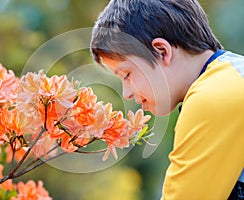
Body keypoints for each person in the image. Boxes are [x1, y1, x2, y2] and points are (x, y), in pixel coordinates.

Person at [90, 0, 244, 199]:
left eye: (126, 74)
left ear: (162, 51)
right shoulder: (231, 77)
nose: (127, 93)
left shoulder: (214, 96)